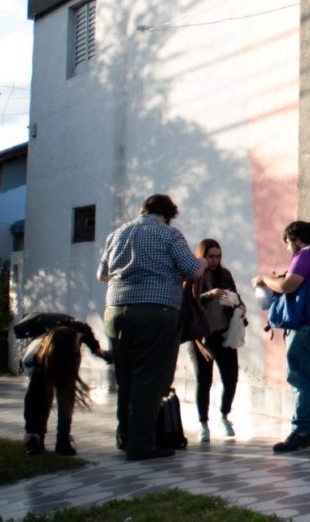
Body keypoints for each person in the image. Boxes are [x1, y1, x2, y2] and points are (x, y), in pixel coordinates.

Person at [97, 193, 205, 461]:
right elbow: (192, 269)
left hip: (116, 310)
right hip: (156, 311)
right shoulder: (169, 235)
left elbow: (102, 274)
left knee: (125, 378)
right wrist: (202, 262)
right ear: (168, 214)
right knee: (150, 378)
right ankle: (142, 445)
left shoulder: (118, 233)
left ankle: (124, 437)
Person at [253, 220, 310, 452]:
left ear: (295, 239)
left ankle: (303, 430)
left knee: (299, 376)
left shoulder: (307, 254)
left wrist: (265, 280)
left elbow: (289, 285)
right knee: (305, 374)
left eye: (287, 243)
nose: (288, 248)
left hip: (307, 324)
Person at [22, 320, 112, 456]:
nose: (79, 345)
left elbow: (96, 349)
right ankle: (36, 437)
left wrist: (106, 355)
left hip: (64, 356)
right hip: (46, 357)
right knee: (41, 396)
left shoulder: (81, 330)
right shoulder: (38, 357)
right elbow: (32, 399)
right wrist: (31, 431)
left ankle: (63, 440)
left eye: (78, 343)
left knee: (65, 396)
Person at [187, 238, 244, 442]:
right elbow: (188, 305)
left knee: (231, 378)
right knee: (204, 380)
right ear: (202, 256)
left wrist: (240, 306)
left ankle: (225, 415)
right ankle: (203, 423)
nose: (215, 260)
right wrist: (208, 295)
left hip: (223, 331)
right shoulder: (193, 276)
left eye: (218, 256)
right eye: (211, 256)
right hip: (200, 335)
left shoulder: (224, 274)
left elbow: (236, 296)